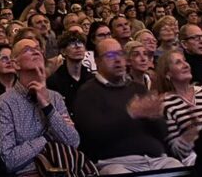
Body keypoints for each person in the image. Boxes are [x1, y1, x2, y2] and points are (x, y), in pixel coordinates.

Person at [70, 37, 182, 174]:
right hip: (116, 162)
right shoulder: (88, 92)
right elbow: (93, 133)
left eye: (120, 54)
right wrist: (130, 113)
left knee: (177, 166)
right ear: (97, 61)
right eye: (110, 55)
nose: (117, 59)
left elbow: (163, 133)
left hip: (156, 159)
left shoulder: (138, 89)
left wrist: (156, 116)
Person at [0, 39, 82, 176]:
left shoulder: (55, 97)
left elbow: (73, 142)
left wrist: (47, 106)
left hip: (63, 169)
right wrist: (48, 137)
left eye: (37, 48)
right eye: (27, 49)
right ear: (15, 64)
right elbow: (10, 160)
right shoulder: (4, 103)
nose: (36, 51)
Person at [152, 50, 202, 163]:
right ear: (168, 74)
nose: (186, 65)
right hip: (194, 158)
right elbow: (176, 152)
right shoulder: (165, 104)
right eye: (178, 62)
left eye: (185, 61)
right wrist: (189, 136)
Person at [46, 31, 89, 105]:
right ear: (63, 51)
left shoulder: (91, 78)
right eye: (72, 43)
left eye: (80, 43)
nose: (78, 46)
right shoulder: (54, 81)